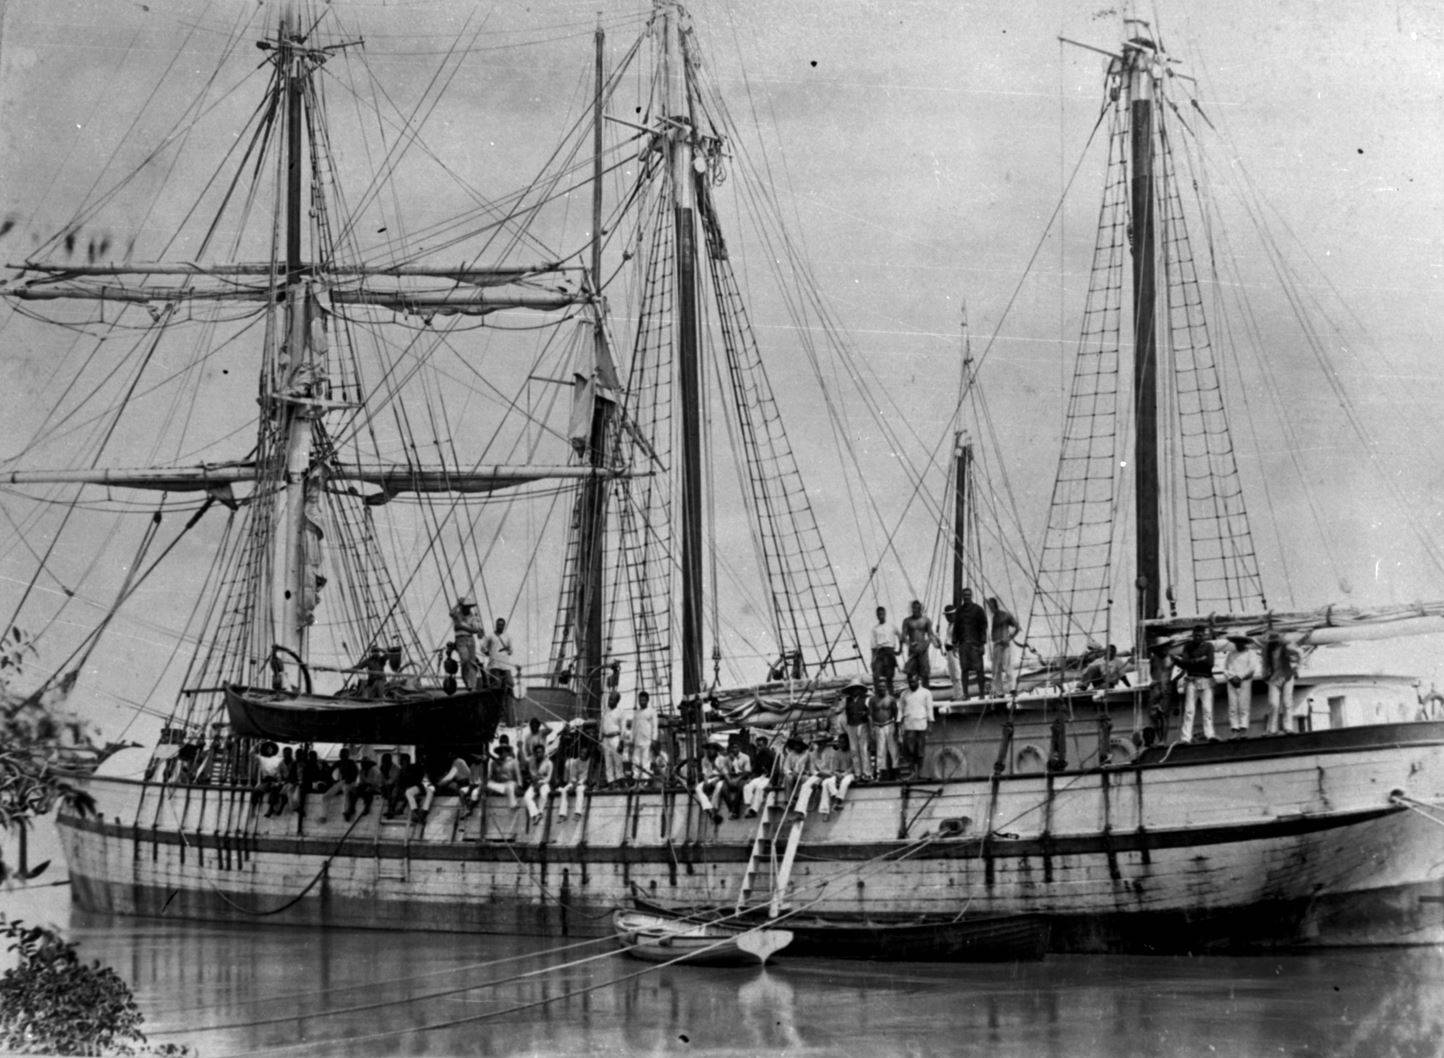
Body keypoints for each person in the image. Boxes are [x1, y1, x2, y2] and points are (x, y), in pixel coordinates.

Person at [1178, 625, 1217, 743]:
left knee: (1207, 709)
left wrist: (1193, 662)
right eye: (1196, 635)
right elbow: (1185, 663)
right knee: (1189, 710)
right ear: (1193, 635)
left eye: (1200, 635)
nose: (1198, 637)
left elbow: (1210, 663)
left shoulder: (1209, 646)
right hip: (1192, 681)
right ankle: (1186, 737)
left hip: (1206, 680)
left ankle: (1210, 734)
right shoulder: (1187, 647)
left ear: (1204, 635)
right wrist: (1199, 660)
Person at [951, 588, 988, 698]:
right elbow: (956, 627)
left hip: (975, 644)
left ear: (971, 596)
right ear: (962, 597)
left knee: (979, 670)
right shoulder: (959, 611)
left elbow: (983, 627)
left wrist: (982, 644)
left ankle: (982, 694)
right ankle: (965, 694)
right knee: (964, 670)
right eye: (964, 595)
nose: (966, 597)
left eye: (968, 595)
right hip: (963, 645)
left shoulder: (978, 610)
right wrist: (954, 642)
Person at [1262, 632, 1301, 735]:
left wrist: (1297, 667)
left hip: (1287, 676)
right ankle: (1272, 729)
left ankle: (1288, 727)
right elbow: (1265, 663)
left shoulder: (1286, 647)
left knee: (1287, 702)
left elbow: (1298, 654)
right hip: (1274, 677)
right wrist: (1265, 675)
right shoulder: (1268, 650)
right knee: (1273, 704)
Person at [898, 672, 935, 778]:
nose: (911, 683)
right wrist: (899, 725)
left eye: (913, 681)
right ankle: (912, 772)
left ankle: (920, 772)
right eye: (910, 682)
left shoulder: (926, 693)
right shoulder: (904, 694)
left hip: (921, 725)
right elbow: (900, 710)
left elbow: (929, 709)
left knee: (920, 751)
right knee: (909, 751)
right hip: (909, 725)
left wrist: (930, 724)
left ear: (918, 680)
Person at [1223, 635, 1259, 738]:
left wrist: (1239, 677)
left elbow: (1251, 668)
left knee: (1244, 706)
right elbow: (1225, 669)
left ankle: (1243, 730)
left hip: (1244, 682)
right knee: (1233, 706)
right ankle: (1234, 730)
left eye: (1241, 642)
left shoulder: (1250, 653)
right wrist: (1231, 677)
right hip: (1232, 682)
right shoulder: (1231, 655)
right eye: (1237, 642)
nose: (1239, 644)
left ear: (1245, 643)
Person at [900, 599, 941, 684]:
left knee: (925, 673)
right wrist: (910, 644)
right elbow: (903, 636)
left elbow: (930, 634)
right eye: (914, 608)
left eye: (917, 608)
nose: (915, 610)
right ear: (912, 609)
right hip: (912, 649)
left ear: (921, 609)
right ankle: (913, 692)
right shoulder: (907, 621)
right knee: (910, 673)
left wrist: (935, 643)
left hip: (923, 648)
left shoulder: (926, 620)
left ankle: (926, 691)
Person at [449, 595, 485, 689]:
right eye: (465, 607)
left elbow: (475, 630)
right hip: (460, 640)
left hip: (470, 639)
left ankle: (472, 685)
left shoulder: (472, 616)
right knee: (464, 660)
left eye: (468, 607)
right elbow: (451, 612)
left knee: (472, 663)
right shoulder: (458, 614)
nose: (467, 609)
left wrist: (462, 627)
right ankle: (466, 680)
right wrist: (457, 604)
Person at [840, 677, 872, 781]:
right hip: (851, 725)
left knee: (863, 749)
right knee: (854, 750)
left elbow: (871, 711)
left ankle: (867, 773)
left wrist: (866, 713)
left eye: (856, 688)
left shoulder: (866, 699)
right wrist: (837, 699)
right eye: (853, 689)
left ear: (860, 689)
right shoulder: (846, 700)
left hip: (862, 724)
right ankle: (858, 773)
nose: (855, 691)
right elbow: (837, 710)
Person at [986, 597, 1019, 695]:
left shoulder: (1004, 615)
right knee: (996, 670)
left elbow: (1017, 626)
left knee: (1007, 668)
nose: (990, 608)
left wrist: (1009, 637)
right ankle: (999, 691)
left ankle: (1012, 689)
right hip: (996, 644)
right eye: (989, 606)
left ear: (995, 605)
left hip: (1004, 645)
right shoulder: (994, 617)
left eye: (991, 605)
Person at [320, 748, 359, 823]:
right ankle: (323, 815)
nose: (341, 755)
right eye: (341, 753)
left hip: (350, 783)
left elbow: (356, 773)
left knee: (346, 792)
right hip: (342, 781)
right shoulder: (339, 762)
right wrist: (333, 781)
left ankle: (346, 812)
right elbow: (330, 771)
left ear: (347, 755)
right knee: (326, 796)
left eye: (343, 754)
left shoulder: (351, 762)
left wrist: (351, 780)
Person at [694, 742, 730, 823]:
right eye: (709, 749)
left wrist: (716, 780)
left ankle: (714, 807)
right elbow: (704, 772)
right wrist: (706, 781)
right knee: (698, 788)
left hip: (720, 778)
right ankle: (708, 807)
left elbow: (725, 773)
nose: (710, 751)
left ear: (716, 750)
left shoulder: (722, 759)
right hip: (710, 778)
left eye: (712, 749)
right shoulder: (704, 760)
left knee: (719, 787)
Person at [742, 735, 777, 817]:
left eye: (760, 745)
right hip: (761, 777)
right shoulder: (759, 755)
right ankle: (749, 806)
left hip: (769, 778)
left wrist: (772, 783)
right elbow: (755, 769)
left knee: (759, 788)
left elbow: (776, 771)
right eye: (757, 745)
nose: (758, 747)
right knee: (747, 787)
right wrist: (750, 778)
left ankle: (754, 810)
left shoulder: (772, 755)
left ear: (766, 745)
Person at [869, 686, 899, 781]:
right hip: (878, 726)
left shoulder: (891, 699)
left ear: (886, 687)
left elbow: (896, 713)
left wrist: (897, 728)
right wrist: (872, 728)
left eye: (883, 687)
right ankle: (882, 773)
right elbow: (871, 714)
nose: (881, 689)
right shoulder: (873, 700)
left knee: (893, 750)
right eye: (880, 687)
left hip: (889, 724)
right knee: (881, 751)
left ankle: (896, 772)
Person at [869, 606, 901, 694]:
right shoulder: (875, 629)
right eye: (879, 614)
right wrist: (872, 660)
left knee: (889, 676)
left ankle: (891, 695)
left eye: (882, 614)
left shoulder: (891, 625)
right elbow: (873, 647)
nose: (880, 616)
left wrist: (899, 651)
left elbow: (900, 637)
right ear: (877, 615)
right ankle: (878, 695)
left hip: (890, 651)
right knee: (876, 675)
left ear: (885, 614)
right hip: (880, 652)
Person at [481, 617, 517, 694]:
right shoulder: (490, 636)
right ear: (496, 625)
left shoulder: (508, 636)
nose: (500, 626)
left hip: (505, 665)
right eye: (498, 624)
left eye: (502, 625)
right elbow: (483, 647)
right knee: (495, 684)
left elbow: (511, 651)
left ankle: (507, 702)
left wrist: (507, 650)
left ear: (504, 626)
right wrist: (488, 653)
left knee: (510, 683)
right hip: (494, 664)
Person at [627, 691, 656, 783]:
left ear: (647, 700)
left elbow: (654, 726)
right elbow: (633, 727)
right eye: (640, 700)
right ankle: (636, 779)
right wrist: (631, 739)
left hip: (647, 741)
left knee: (645, 762)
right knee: (635, 761)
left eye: (643, 700)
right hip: (637, 741)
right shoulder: (636, 713)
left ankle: (645, 780)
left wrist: (654, 739)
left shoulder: (652, 712)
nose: (641, 702)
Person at [556, 740, 589, 819]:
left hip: (584, 783)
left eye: (584, 753)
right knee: (564, 790)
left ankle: (578, 813)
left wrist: (578, 784)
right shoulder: (576, 761)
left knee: (579, 790)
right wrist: (573, 784)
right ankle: (562, 814)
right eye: (581, 752)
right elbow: (573, 775)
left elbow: (586, 777)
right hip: (575, 782)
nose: (582, 754)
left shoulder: (589, 762)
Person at [522, 742, 553, 824]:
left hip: (544, 783)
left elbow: (548, 778)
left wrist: (541, 783)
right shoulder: (531, 762)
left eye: (540, 752)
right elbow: (532, 775)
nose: (538, 754)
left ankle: (540, 812)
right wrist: (536, 784)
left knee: (543, 794)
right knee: (527, 797)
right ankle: (535, 814)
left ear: (543, 752)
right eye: (536, 752)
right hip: (535, 783)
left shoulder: (549, 763)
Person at [600, 690, 625, 786]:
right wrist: (600, 740)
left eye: (612, 700)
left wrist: (621, 742)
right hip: (606, 739)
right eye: (609, 699)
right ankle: (611, 782)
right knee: (608, 762)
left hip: (616, 738)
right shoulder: (605, 710)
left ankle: (619, 782)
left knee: (618, 761)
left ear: (617, 701)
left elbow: (623, 728)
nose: (610, 701)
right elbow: (602, 725)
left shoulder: (621, 712)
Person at [723, 738, 753, 818]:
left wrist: (738, 779)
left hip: (742, 777)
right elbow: (725, 771)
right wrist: (729, 779)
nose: (734, 749)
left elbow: (747, 772)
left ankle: (735, 811)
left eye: (736, 747)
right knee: (724, 789)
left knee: (740, 787)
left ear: (740, 748)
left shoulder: (745, 757)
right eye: (733, 747)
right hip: (731, 777)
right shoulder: (727, 758)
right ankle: (731, 809)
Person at [485, 744, 521, 808]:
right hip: (500, 786)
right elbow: (491, 776)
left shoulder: (513, 762)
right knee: (487, 784)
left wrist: (520, 786)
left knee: (510, 786)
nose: (502, 753)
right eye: (500, 752)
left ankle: (513, 804)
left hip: (511, 784)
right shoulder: (494, 763)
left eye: (504, 751)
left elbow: (518, 775)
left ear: (507, 752)